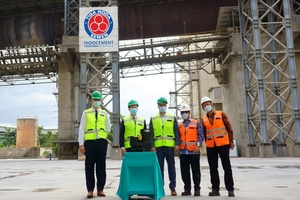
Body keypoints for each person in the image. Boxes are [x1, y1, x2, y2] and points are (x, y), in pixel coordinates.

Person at [78, 91, 111, 198]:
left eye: (98, 100)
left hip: (101, 142)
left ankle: (100, 189)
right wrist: (81, 144)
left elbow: (108, 127)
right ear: (91, 100)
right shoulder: (86, 113)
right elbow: (82, 129)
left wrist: (102, 134)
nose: (96, 102)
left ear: (101, 101)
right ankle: (90, 190)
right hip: (90, 142)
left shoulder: (105, 114)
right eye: (95, 100)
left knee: (101, 166)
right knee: (89, 166)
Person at [200, 96, 235, 197]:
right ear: (203, 107)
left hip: (223, 144)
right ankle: (215, 189)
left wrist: (231, 141)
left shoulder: (221, 114)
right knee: (213, 168)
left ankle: (230, 189)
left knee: (227, 167)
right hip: (211, 146)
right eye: (204, 105)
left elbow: (229, 127)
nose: (207, 106)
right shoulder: (204, 119)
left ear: (212, 104)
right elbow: (204, 132)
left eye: (208, 104)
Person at [149, 97, 180, 196]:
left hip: (170, 147)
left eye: (164, 105)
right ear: (158, 106)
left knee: (171, 167)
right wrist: (152, 145)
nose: (162, 107)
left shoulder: (172, 116)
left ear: (166, 106)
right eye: (160, 105)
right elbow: (151, 133)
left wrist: (177, 144)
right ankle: (160, 187)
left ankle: (173, 188)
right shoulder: (153, 118)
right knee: (159, 168)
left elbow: (176, 131)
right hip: (158, 148)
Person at [178, 104, 204, 196]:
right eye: (182, 112)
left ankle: (197, 189)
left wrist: (198, 145)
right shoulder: (180, 124)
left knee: (195, 171)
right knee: (184, 172)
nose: (184, 114)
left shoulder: (196, 122)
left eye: (186, 112)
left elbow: (201, 135)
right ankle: (187, 189)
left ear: (189, 113)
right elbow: (179, 138)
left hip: (194, 151)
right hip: (183, 152)